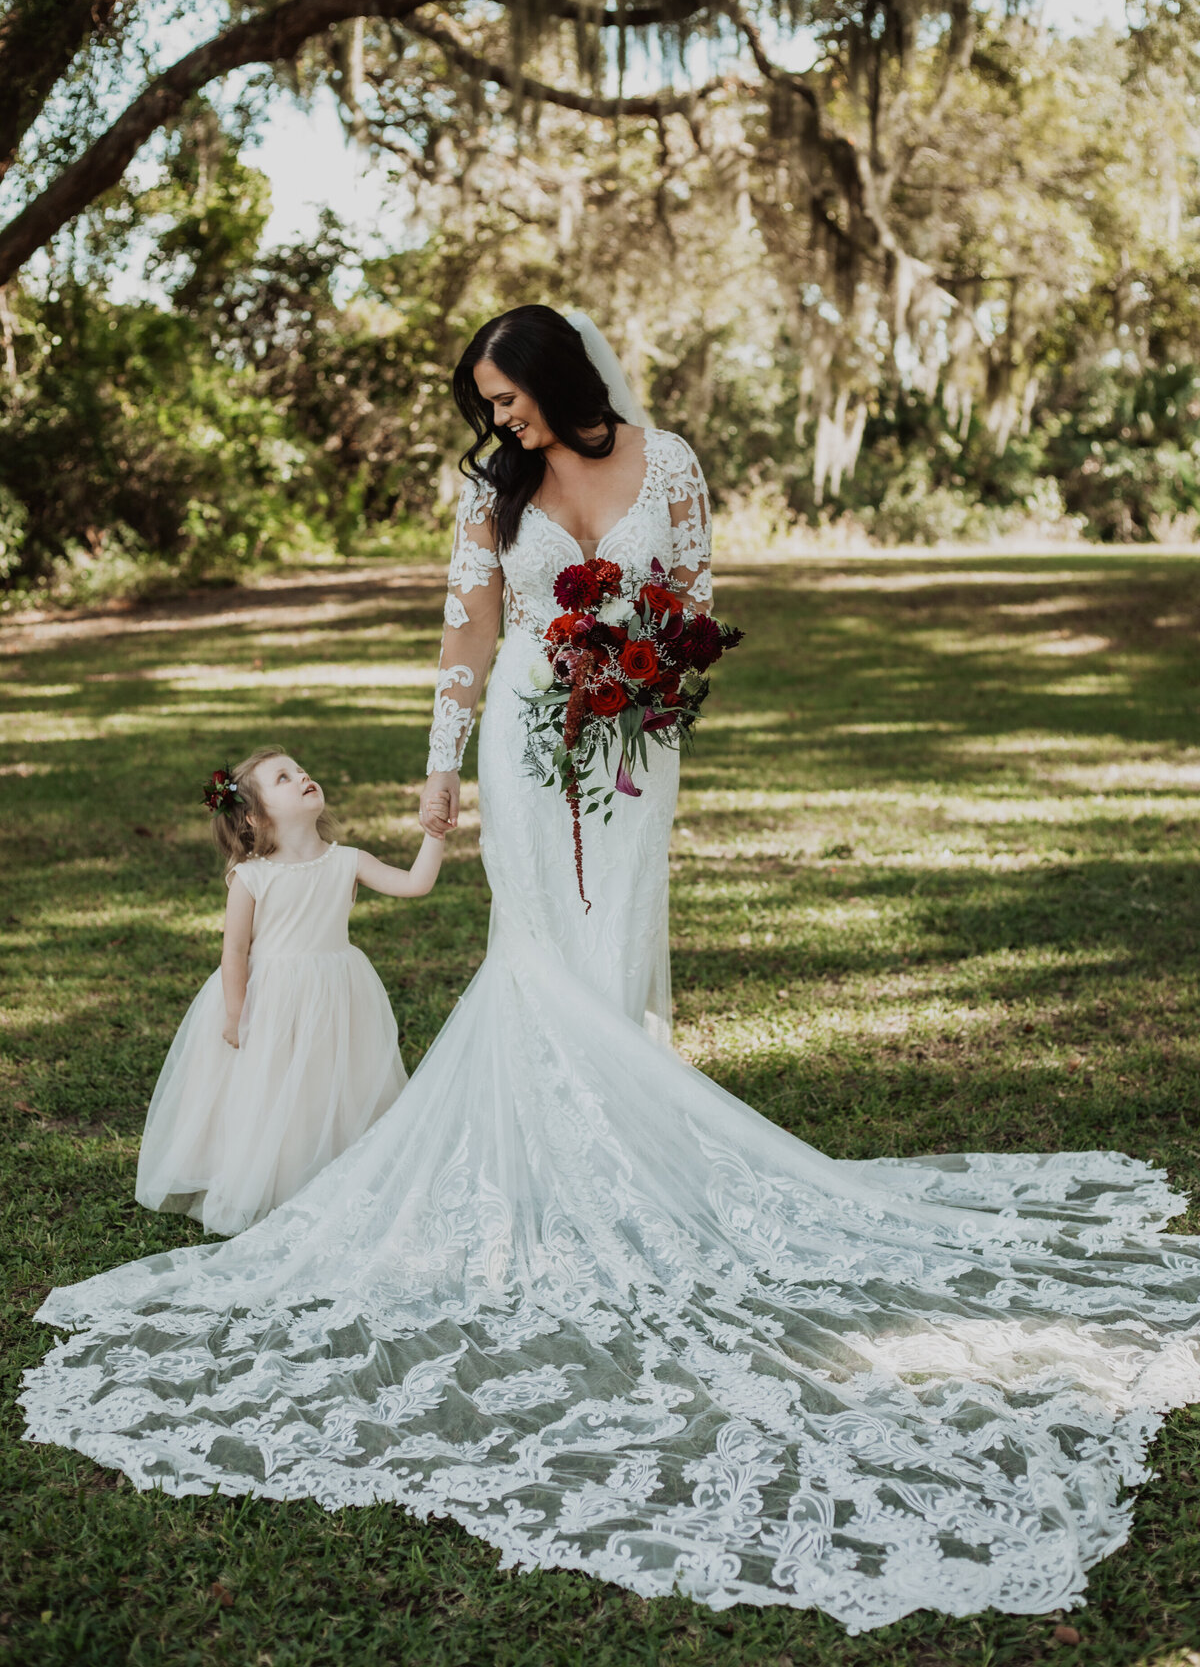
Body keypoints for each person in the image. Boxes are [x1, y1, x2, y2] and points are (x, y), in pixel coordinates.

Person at [20, 309, 1200, 1636]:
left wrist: (650, 677)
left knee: (617, 943)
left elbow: (693, 609)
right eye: (490, 404)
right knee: (536, 953)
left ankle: (636, 1155)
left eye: (513, 398)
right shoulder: (491, 489)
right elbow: (467, 631)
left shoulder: (674, 463)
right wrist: (441, 766)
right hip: (527, 739)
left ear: (564, 382)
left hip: (633, 742)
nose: (505, 422)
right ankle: (562, 1177)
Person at [135, 747, 446, 1235]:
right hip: (270, 999)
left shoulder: (347, 860)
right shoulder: (252, 876)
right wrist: (236, 1013)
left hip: (335, 992)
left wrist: (433, 837)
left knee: (329, 1082)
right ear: (256, 817)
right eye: (284, 777)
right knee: (270, 1089)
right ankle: (267, 1177)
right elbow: (235, 952)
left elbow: (415, 884)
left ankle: (336, 1170)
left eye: (300, 770)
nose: (302, 776)